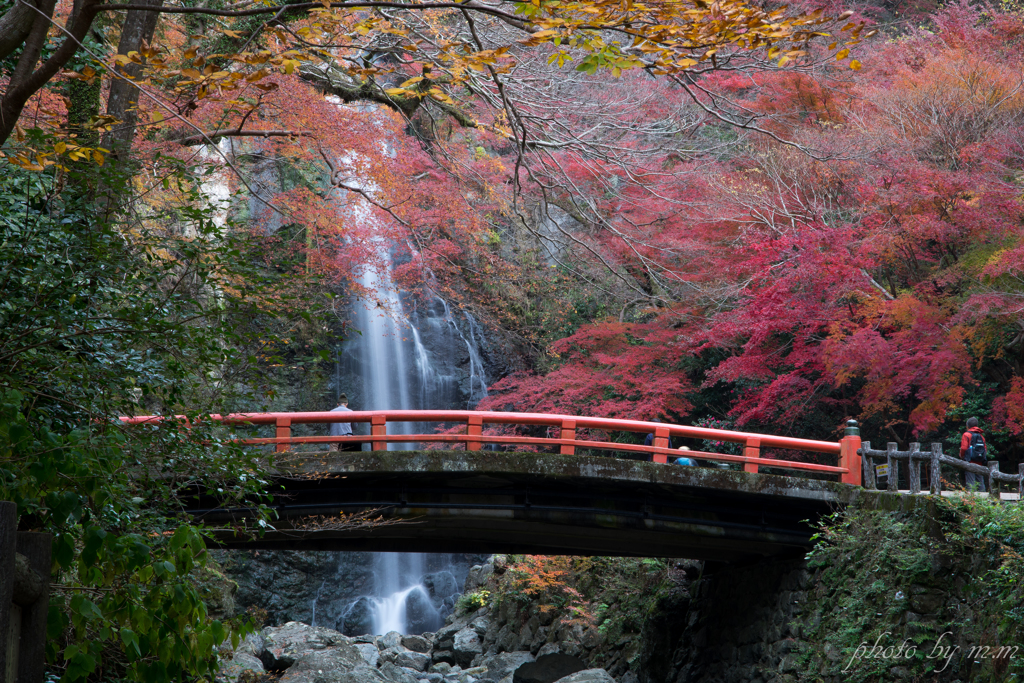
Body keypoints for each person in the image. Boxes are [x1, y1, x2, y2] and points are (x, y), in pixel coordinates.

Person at [959, 417, 987, 492]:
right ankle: (983, 498)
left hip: (970, 461)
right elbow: (985, 449)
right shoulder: (981, 436)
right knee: (980, 480)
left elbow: (964, 448)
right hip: (979, 461)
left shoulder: (966, 435)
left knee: (970, 481)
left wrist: (962, 455)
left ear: (967, 426)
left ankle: (971, 499)